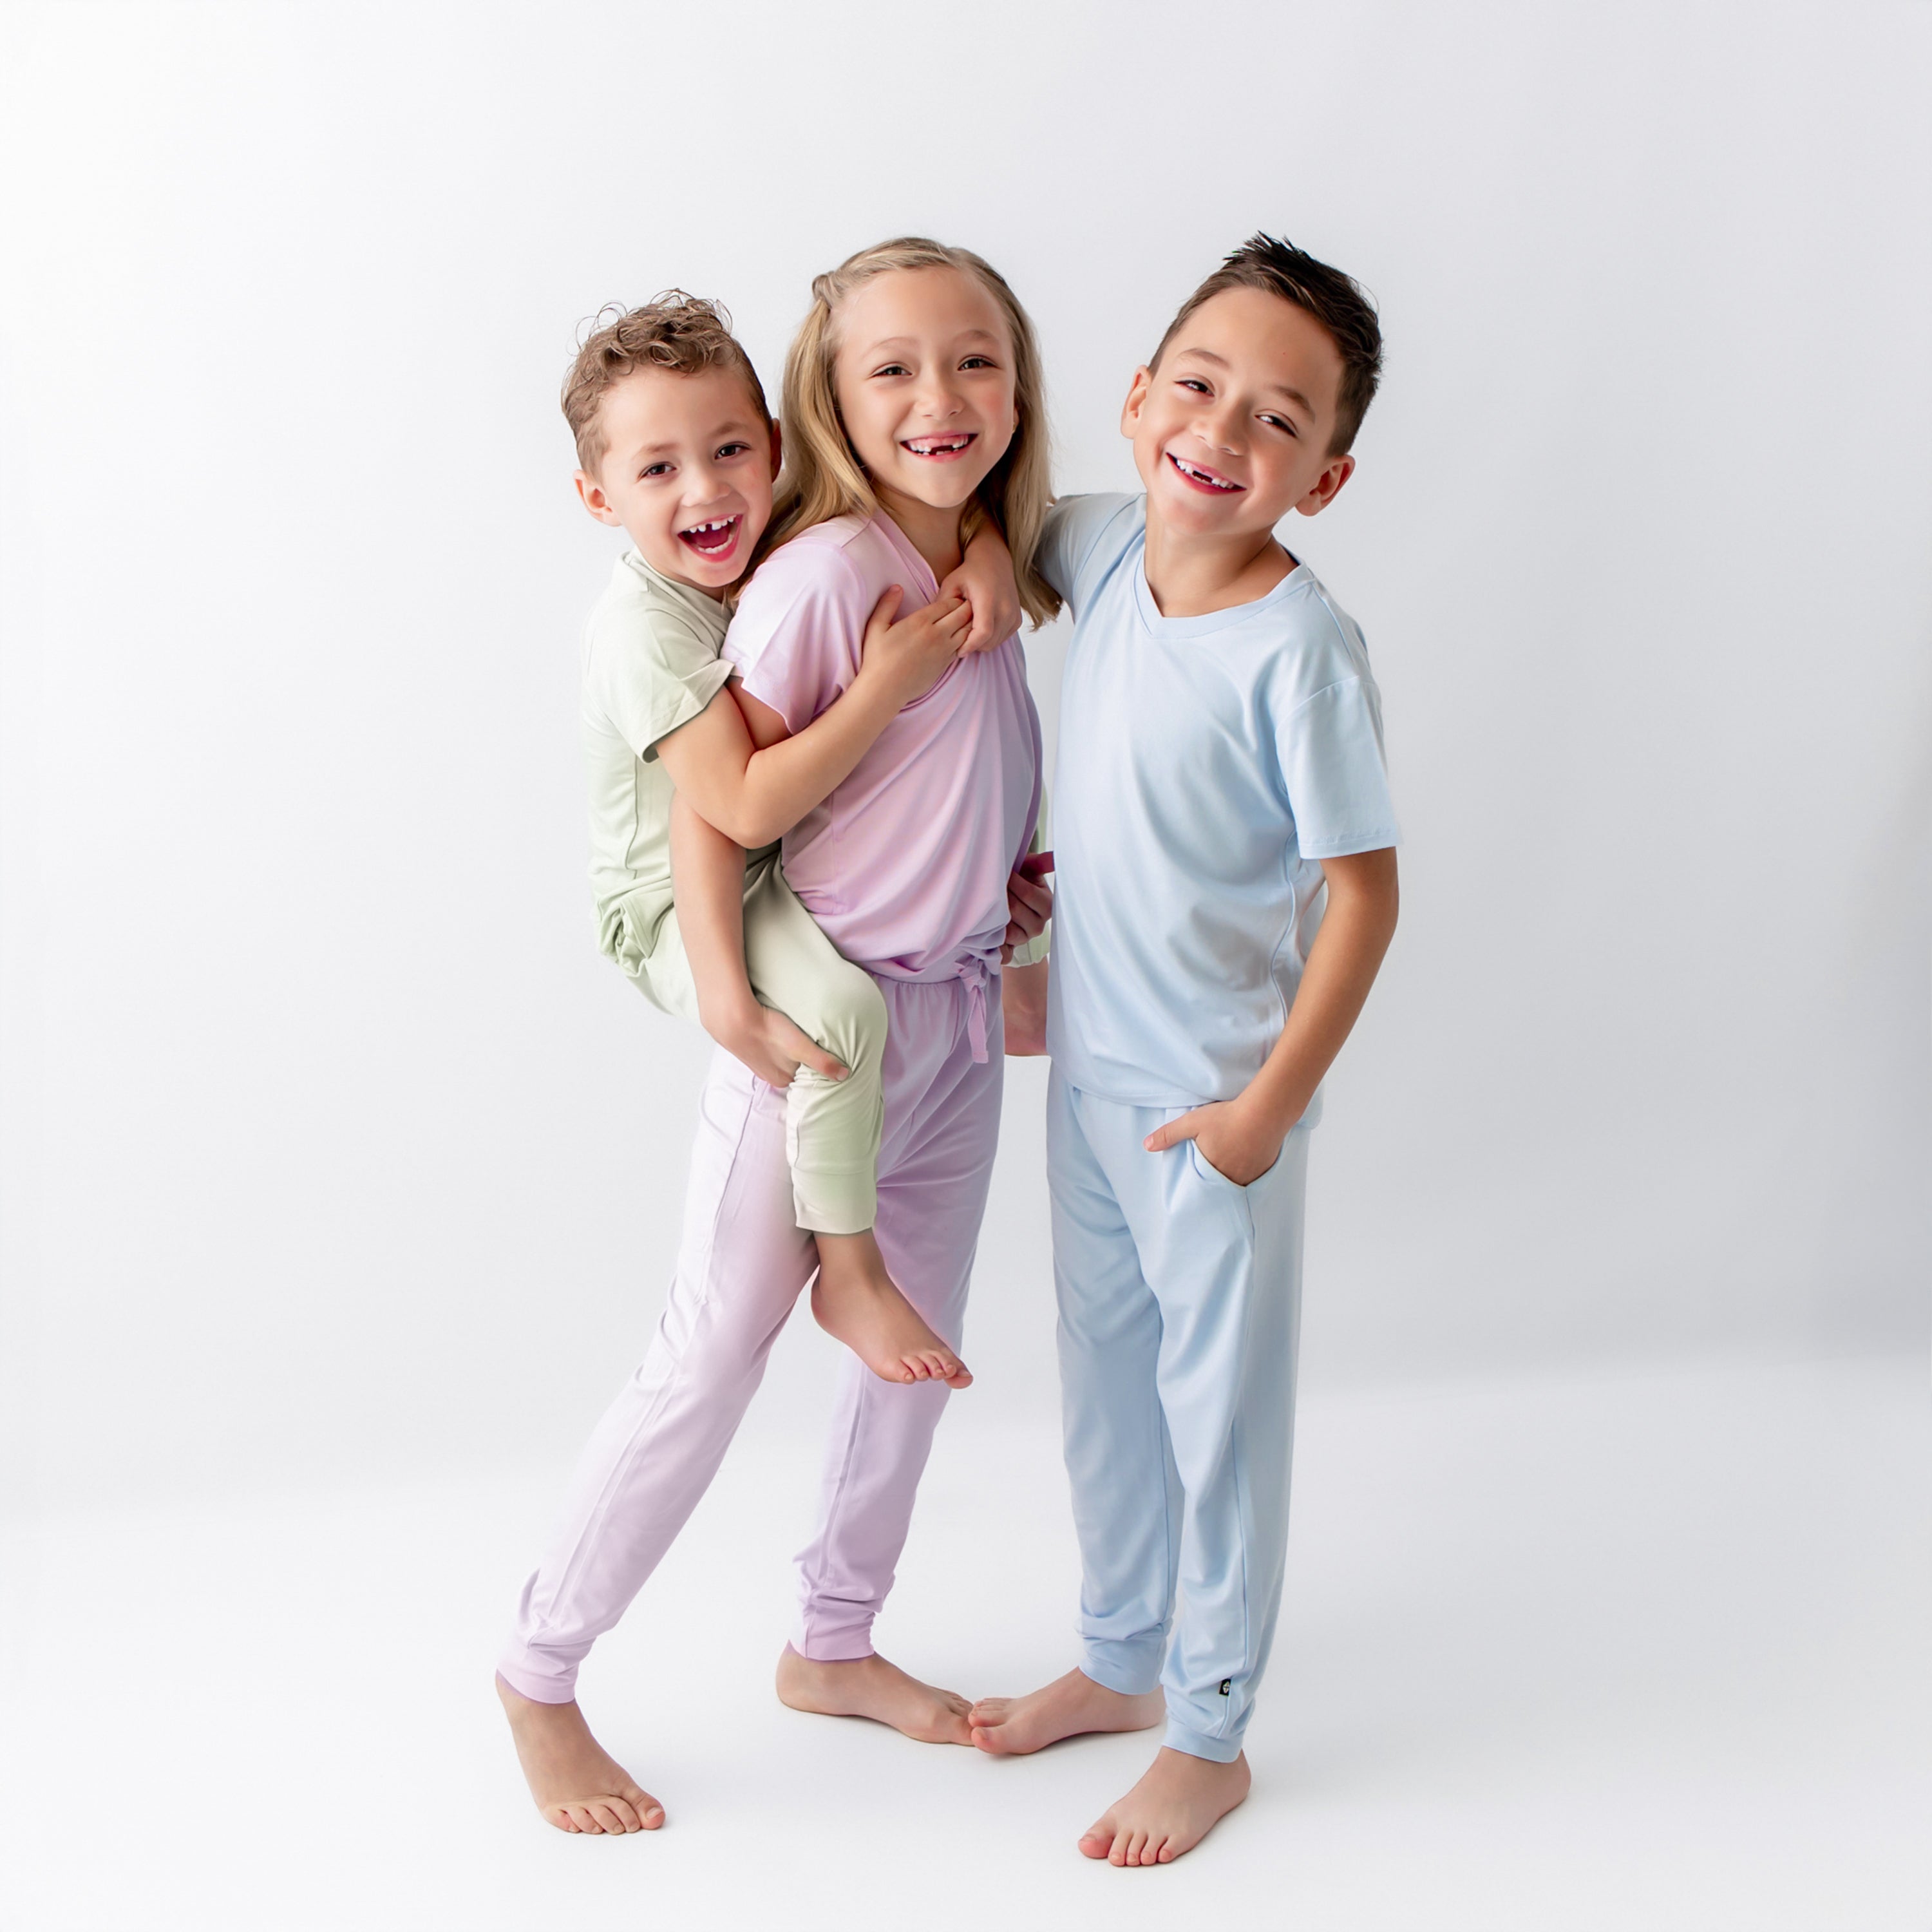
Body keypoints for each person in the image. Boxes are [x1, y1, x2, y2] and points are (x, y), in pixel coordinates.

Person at [498, 242, 1056, 1835]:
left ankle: (833, 1642)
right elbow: (727, 813)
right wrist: (734, 996)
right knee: (707, 1365)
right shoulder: (803, 589)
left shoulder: (951, 572)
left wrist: (998, 879)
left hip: (935, 1021)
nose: (938, 400)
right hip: (806, 1028)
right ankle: (539, 1673)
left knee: (915, 1369)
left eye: (728, 449)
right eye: (891, 370)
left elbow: (947, 768)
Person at [968, 234, 1402, 1869]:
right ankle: (1121, 1654)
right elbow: (991, 547)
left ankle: (1210, 1733)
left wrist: (1264, 1114)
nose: (1223, 433)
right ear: (1140, 396)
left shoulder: (1300, 649)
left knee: (1215, 1411)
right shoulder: (1097, 539)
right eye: (1199, 386)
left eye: (1277, 421)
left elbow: (1363, 899)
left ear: (1326, 475)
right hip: (1084, 1078)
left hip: (1211, 1108)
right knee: (1106, 1390)